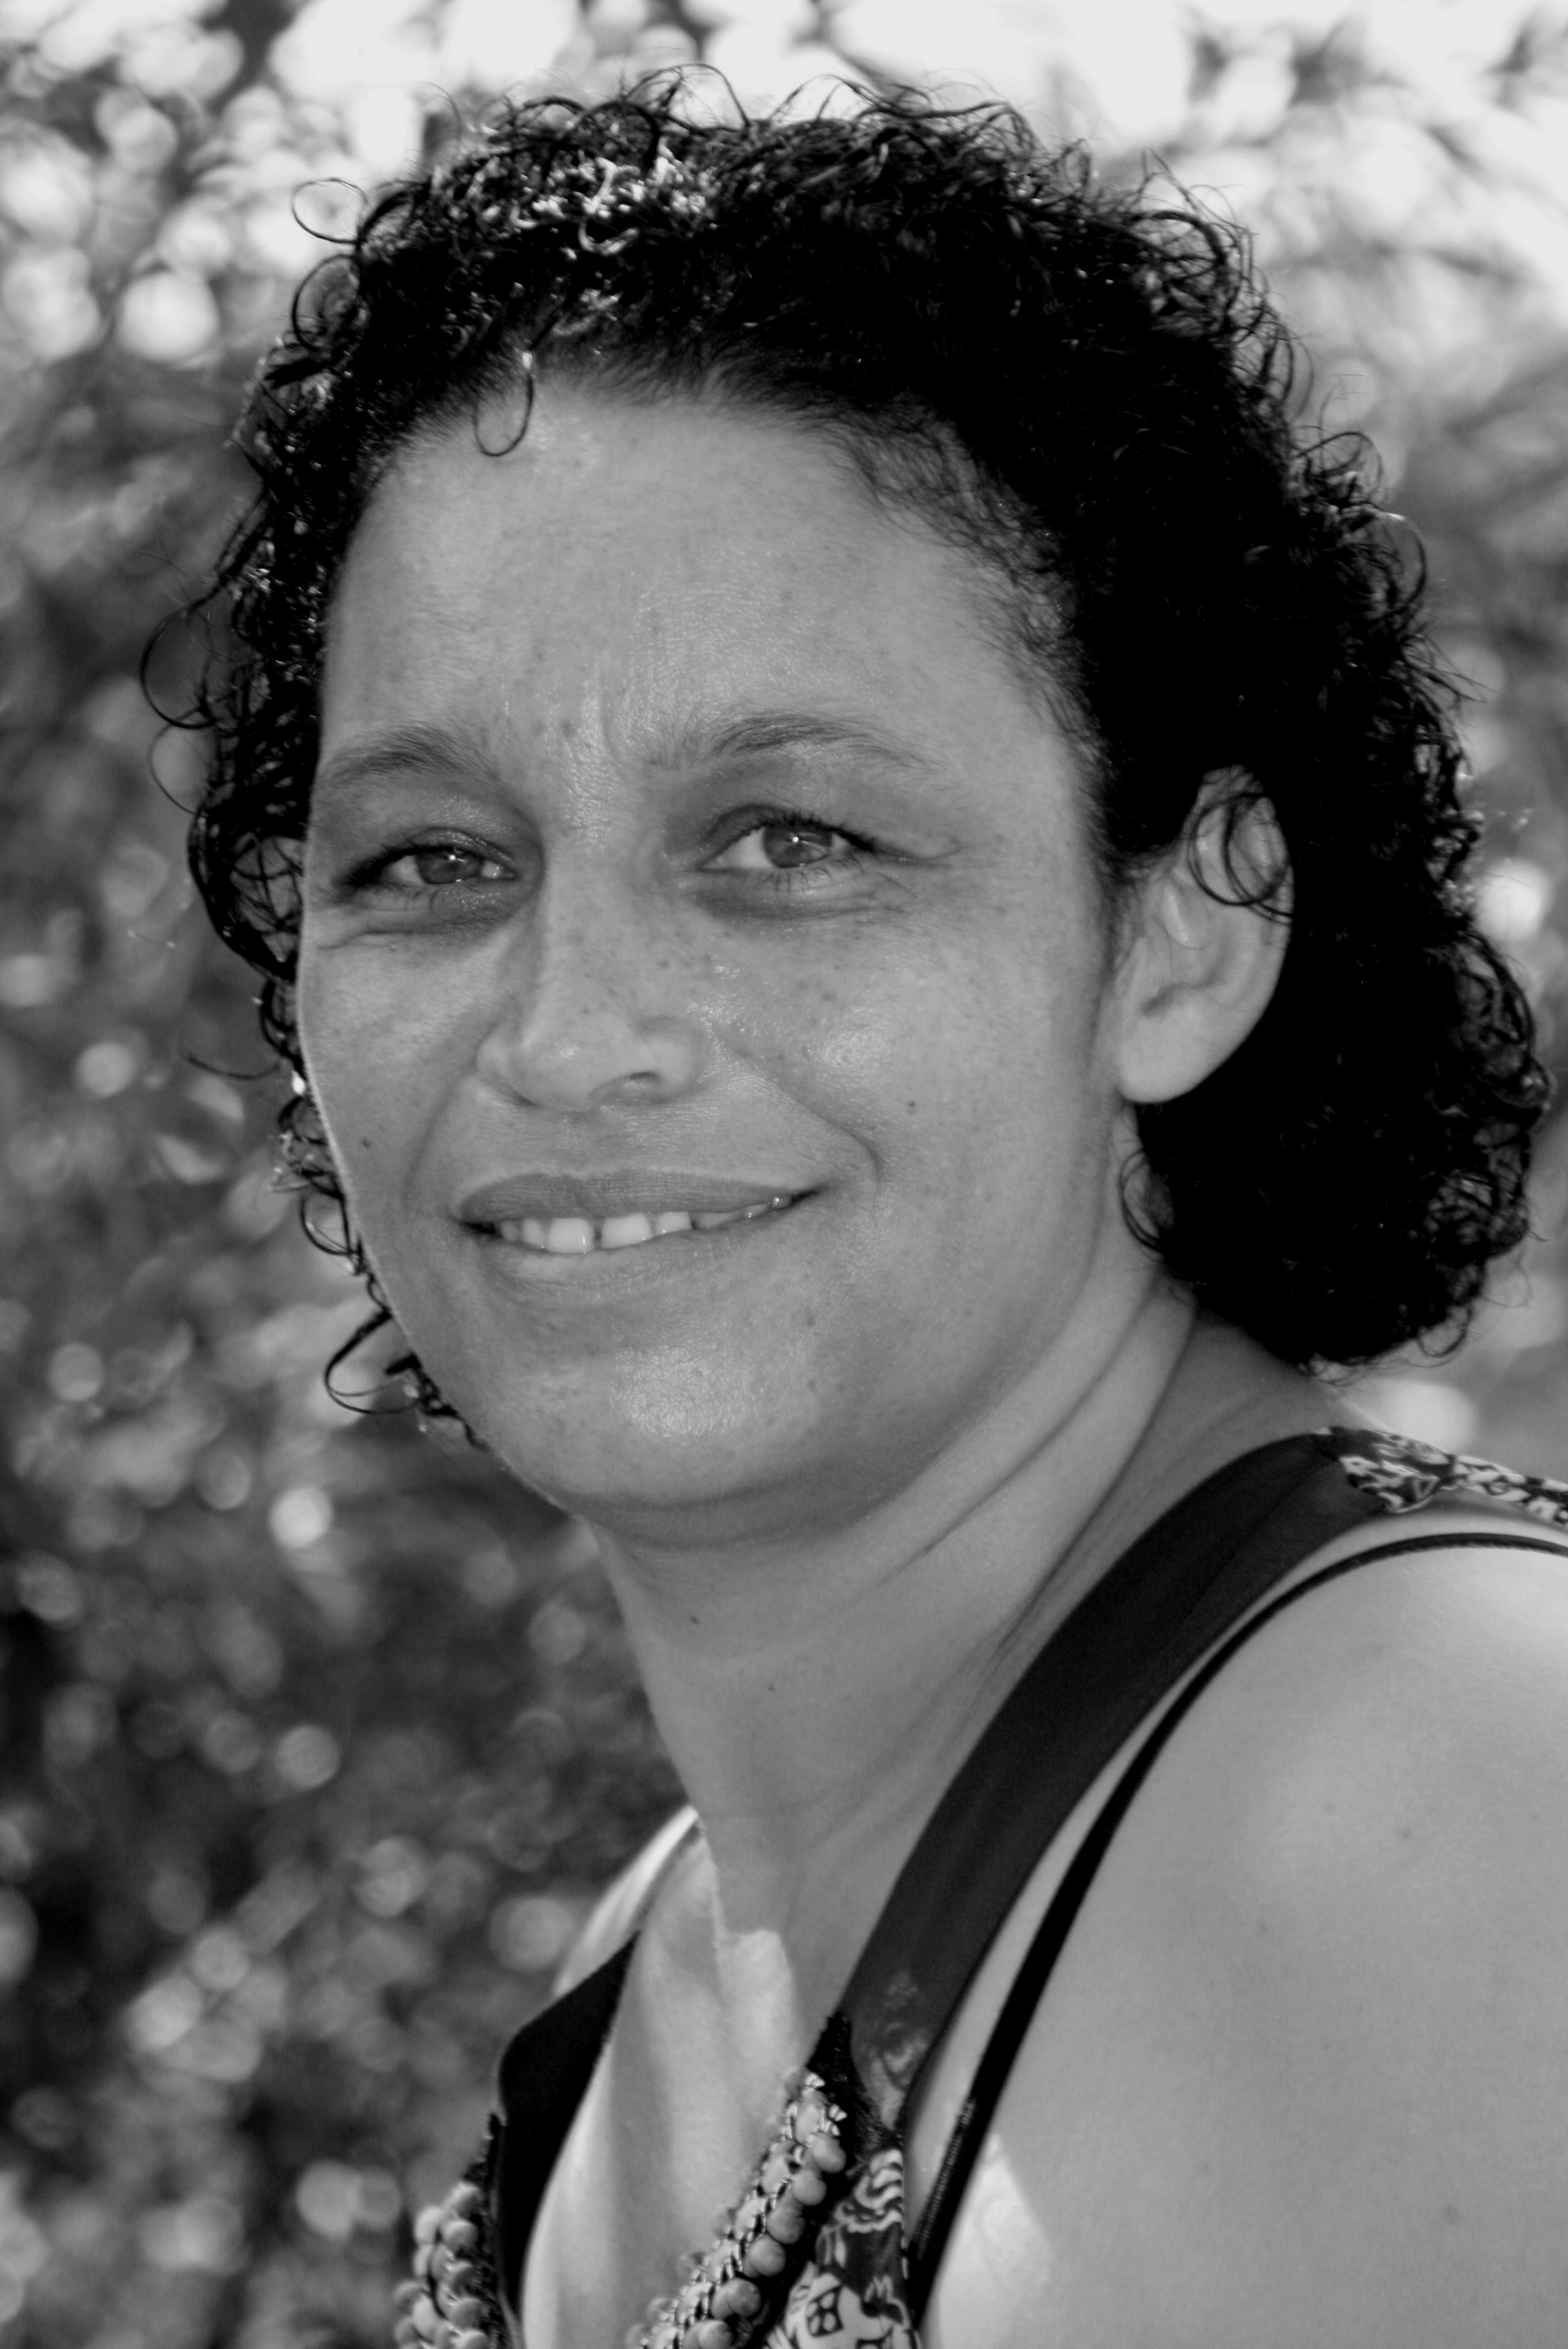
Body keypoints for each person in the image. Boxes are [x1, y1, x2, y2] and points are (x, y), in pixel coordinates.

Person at [183, 81, 1568, 2349]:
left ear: (1184, 934)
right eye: (433, 859)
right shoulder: (657, 1956)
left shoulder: (1459, 1820)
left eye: (792, 839)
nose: (574, 1032)